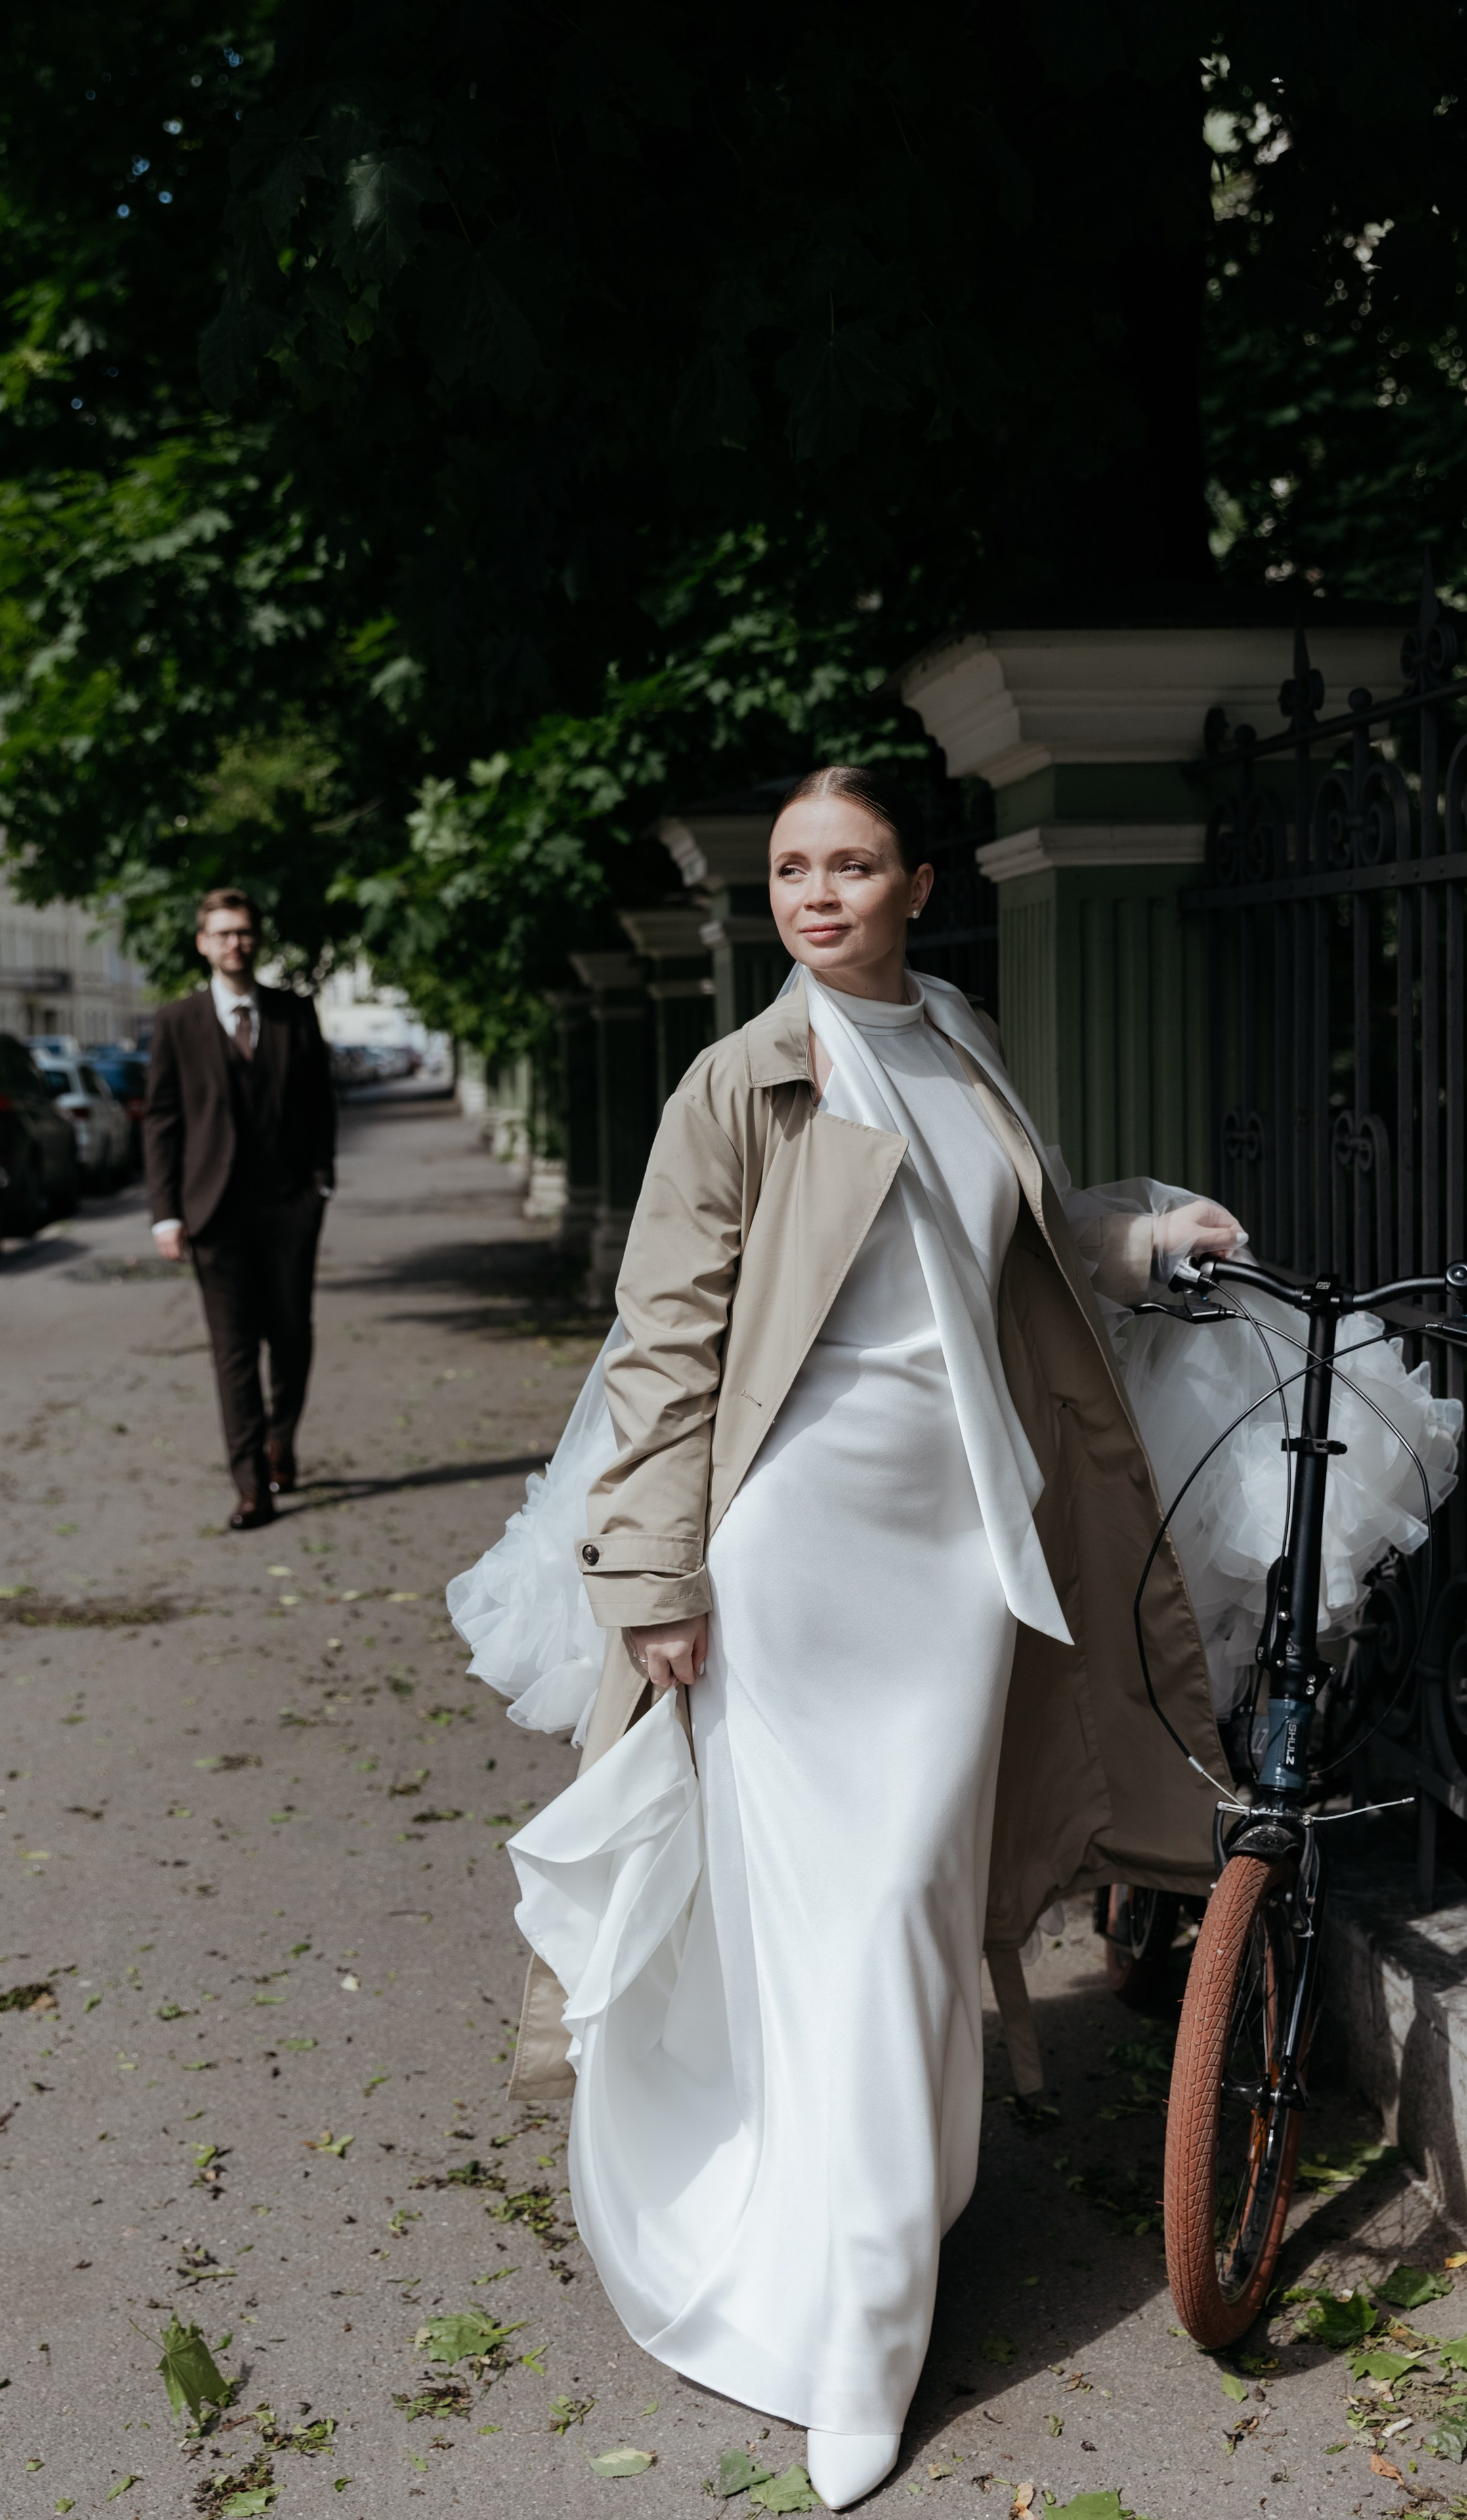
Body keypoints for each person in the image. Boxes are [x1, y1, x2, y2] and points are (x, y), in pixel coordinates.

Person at [453, 766, 1247, 2511]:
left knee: (914, 1908)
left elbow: (1008, 1248)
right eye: (794, 868)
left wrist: (1143, 1235)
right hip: (794, 1559)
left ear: (917, 881)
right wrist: (654, 1574)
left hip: (964, 1561)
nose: (816, 892)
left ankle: (888, 2226)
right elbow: (662, 1345)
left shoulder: (958, 1039)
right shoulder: (742, 1080)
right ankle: (860, 2338)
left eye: (853, 863)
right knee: (854, 1918)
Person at [145, 887, 336, 1530]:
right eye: (223, 933)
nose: (235, 943)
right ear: (203, 943)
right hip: (213, 1212)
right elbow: (163, 1122)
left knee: (291, 1338)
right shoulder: (178, 1022)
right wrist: (166, 1214)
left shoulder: (293, 1013)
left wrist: (321, 1184)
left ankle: (281, 1436)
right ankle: (252, 1483)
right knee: (233, 1352)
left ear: (256, 940)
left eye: (244, 932)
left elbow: (320, 1104)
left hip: (289, 1208)